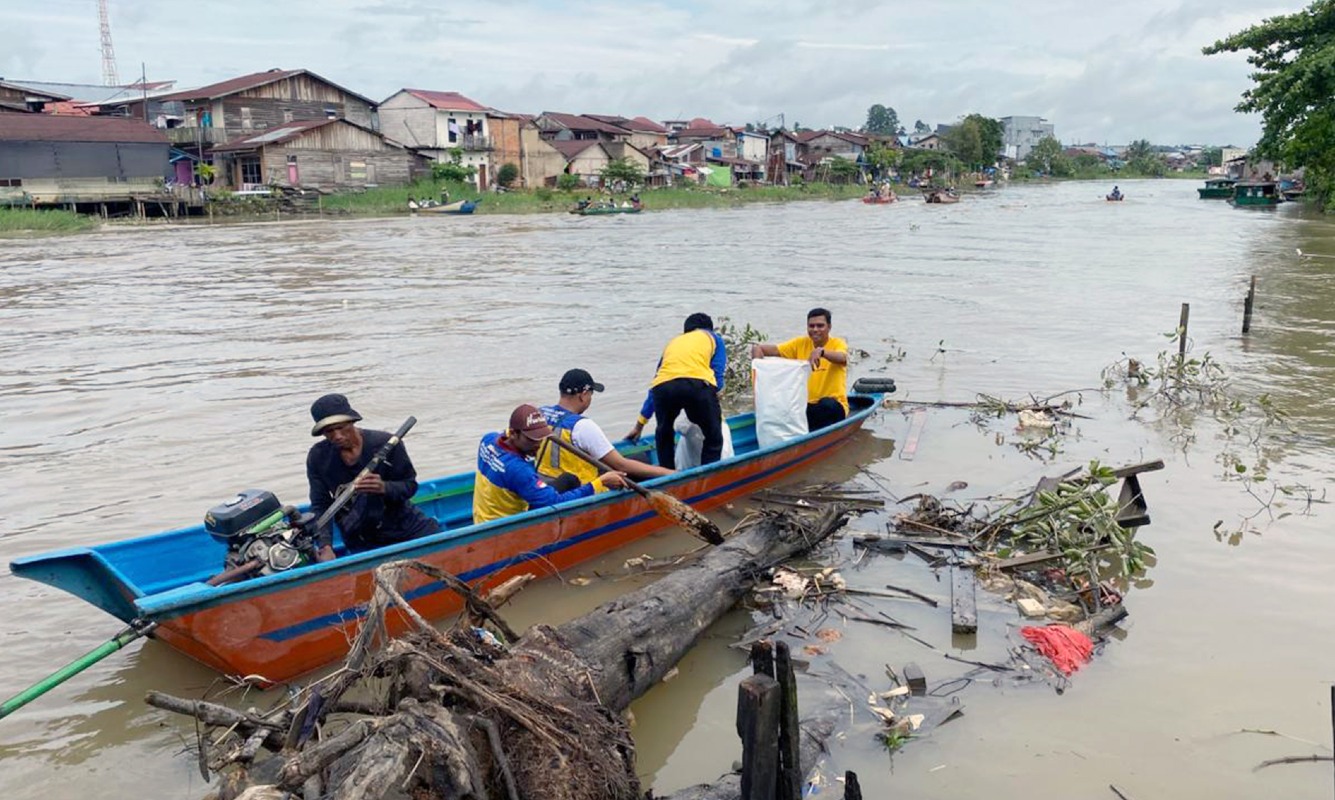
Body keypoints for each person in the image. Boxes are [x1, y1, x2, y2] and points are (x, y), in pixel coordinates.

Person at [306, 394, 439, 562]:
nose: (337, 436)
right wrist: (325, 545)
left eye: (341, 428)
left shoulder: (385, 443)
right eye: (329, 431)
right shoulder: (318, 457)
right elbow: (320, 505)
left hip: (406, 530)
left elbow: (410, 486)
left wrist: (384, 487)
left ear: (352, 422)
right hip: (361, 538)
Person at [473, 404, 629, 524]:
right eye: (532, 439)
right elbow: (556, 502)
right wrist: (599, 483)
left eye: (540, 438)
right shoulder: (518, 470)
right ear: (514, 433)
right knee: (566, 493)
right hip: (508, 526)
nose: (538, 445)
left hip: (481, 519)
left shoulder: (488, 439)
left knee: (569, 479)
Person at [535, 368, 673, 486]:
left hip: (546, 482)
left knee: (635, 459)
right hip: (581, 487)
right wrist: (669, 473)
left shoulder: (539, 414)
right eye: (591, 394)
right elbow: (621, 465)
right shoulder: (581, 426)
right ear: (583, 395)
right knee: (640, 460)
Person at [625, 313, 727, 470]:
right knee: (714, 437)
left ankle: (667, 474)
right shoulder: (713, 338)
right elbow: (717, 376)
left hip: (663, 388)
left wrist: (639, 426)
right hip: (697, 385)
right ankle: (708, 475)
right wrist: (711, 406)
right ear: (709, 328)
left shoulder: (673, 343)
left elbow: (655, 387)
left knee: (664, 433)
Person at [750, 307, 850, 431]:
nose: (815, 330)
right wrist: (758, 361)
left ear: (829, 327)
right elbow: (763, 349)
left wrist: (822, 352)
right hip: (806, 407)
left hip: (833, 407)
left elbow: (843, 358)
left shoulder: (838, 343)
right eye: (811, 326)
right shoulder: (800, 344)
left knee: (826, 405)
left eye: (820, 326)